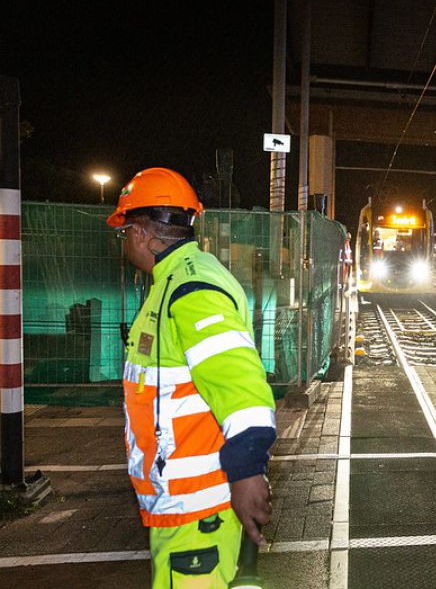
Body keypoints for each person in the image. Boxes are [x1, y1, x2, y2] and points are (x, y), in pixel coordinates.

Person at [107, 167, 277, 587]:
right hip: (180, 506)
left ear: (144, 233)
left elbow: (241, 385)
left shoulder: (191, 289)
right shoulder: (176, 283)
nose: (125, 240)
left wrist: (247, 471)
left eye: (124, 230)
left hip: (198, 509)